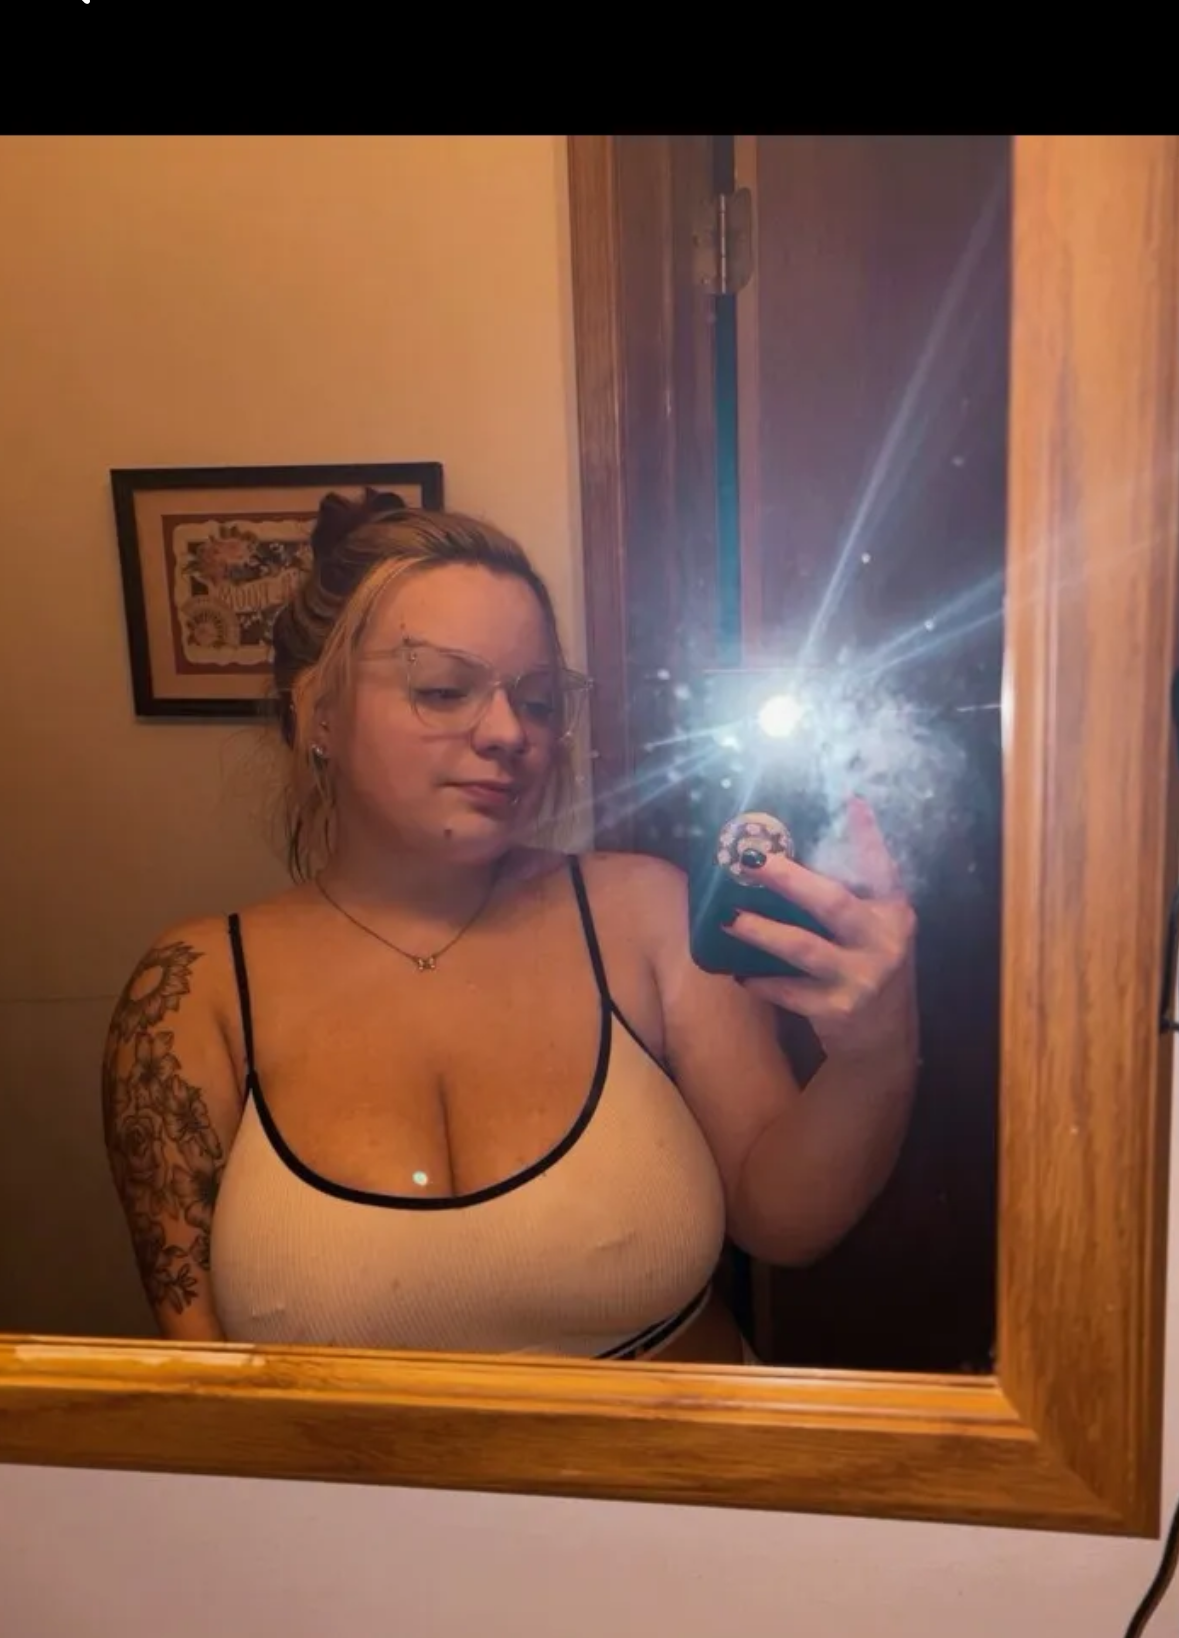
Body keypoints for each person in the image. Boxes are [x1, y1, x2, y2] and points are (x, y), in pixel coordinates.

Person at [102, 491, 919, 1363]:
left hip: (683, 1450)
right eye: (442, 689)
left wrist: (874, 1050)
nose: (508, 733)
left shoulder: (644, 915)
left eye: (537, 701)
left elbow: (784, 1224)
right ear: (320, 713)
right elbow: (199, 1382)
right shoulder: (192, 993)